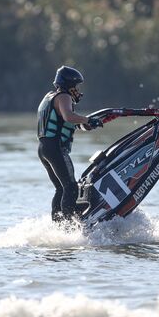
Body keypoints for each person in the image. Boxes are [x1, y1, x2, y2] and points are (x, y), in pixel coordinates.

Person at [37, 66, 103, 222]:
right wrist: (87, 120)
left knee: (60, 188)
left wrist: (86, 124)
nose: (77, 90)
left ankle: (58, 226)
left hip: (43, 149)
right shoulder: (64, 96)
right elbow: (68, 116)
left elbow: (65, 122)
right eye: (76, 86)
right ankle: (69, 227)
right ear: (69, 85)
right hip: (55, 149)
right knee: (71, 187)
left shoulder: (50, 96)